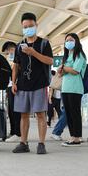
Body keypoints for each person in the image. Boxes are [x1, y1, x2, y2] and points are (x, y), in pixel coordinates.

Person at [12, 13, 54, 155]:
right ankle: (23, 143)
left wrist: (33, 53)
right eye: (25, 27)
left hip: (39, 84)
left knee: (41, 114)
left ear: (36, 25)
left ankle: (41, 144)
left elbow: (50, 61)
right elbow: (16, 65)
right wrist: (13, 82)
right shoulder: (19, 46)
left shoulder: (44, 43)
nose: (28, 29)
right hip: (22, 85)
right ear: (22, 27)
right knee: (23, 115)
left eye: (30, 26)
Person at [59, 33, 87, 147]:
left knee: (75, 113)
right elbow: (64, 73)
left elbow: (76, 70)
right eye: (67, 40)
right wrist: (62, 70)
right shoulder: (66, 56)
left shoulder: (79, 55)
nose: (68, 42)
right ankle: (72, 136)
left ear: (76, 42)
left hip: (75, 88)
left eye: (71, 40)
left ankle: (77, 137)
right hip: (65, 88)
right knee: (69, 113)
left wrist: (64, 68)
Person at [2, 41, 22, 142]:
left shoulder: (20, 58)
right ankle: (13, 131)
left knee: (16, 111)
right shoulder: (8, 60)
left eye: (11, 49)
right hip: (9, 87)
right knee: (11, 111)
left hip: (18, 86)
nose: (9, 52)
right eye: (8, 51)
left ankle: (18, 133)